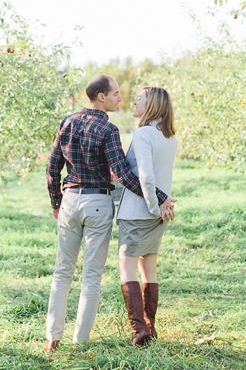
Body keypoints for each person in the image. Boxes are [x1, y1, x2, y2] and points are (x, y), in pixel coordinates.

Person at [44, 75, 175, 352]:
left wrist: (57, 202)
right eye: (115, 93)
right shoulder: (108, 130)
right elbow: (126, 175)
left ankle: (53, 337)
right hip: (98, 204)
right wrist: (161, 198)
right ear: (101, 96)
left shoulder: (67, 122)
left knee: (61, 272)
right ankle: (80, 340)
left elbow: (52, 168)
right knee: (91, 275)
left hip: (69, 201)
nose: (121, 98)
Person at [116, 86, 177, 346]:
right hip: (159, 215)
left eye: (139, 99)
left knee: (126, 268)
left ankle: (139, 331)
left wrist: (153, 206)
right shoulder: (169, 137)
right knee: (148, 269)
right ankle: (150, 328)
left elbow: (146, 176)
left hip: (138, 213)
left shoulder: (142, 134)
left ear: (150, 104)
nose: (134, 102)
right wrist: (160, 208)